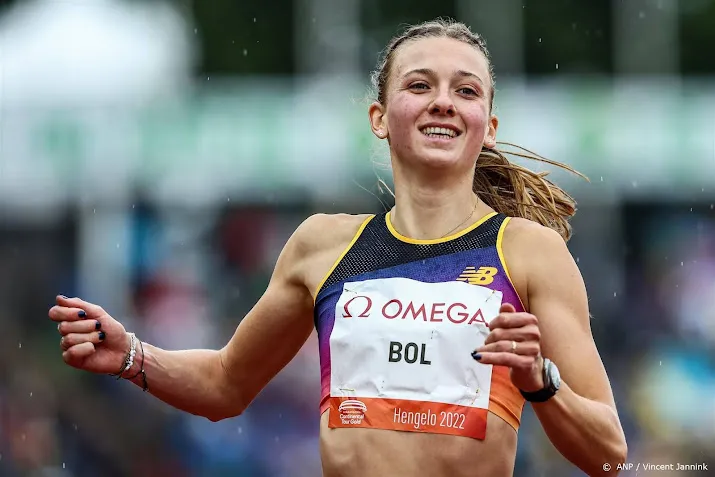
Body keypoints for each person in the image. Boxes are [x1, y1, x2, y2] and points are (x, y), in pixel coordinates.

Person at [49, 18, 627, 477]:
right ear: (380, 117)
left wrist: (541, 382)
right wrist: (132, 356)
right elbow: (226, 384)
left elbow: (609, 455)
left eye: (466, 90)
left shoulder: (529, 253)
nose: (443, 102)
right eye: (419, 85)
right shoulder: (322, 246)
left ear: (489, 126)